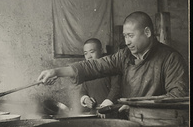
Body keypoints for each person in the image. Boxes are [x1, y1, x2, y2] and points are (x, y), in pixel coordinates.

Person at [38, 11, 188, 109]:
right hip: (130, 120)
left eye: (130, 35)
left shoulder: (170, 58)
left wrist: (137, 105)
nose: (127, 41)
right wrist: (56, 71)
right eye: (125, 36)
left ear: (147, 32)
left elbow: (178, 95)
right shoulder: (124, 55)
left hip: (158, 124)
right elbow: (95, 66)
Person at [79, 38, 121, 110]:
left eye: (92, 52)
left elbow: (116, 88)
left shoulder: (111, 66)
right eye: (86, 53)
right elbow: (83, 91)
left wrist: (105, 105)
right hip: (93, 112)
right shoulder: (86, 71)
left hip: (110, 111)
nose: (89, 57)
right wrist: (86, 99)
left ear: (101, 51)